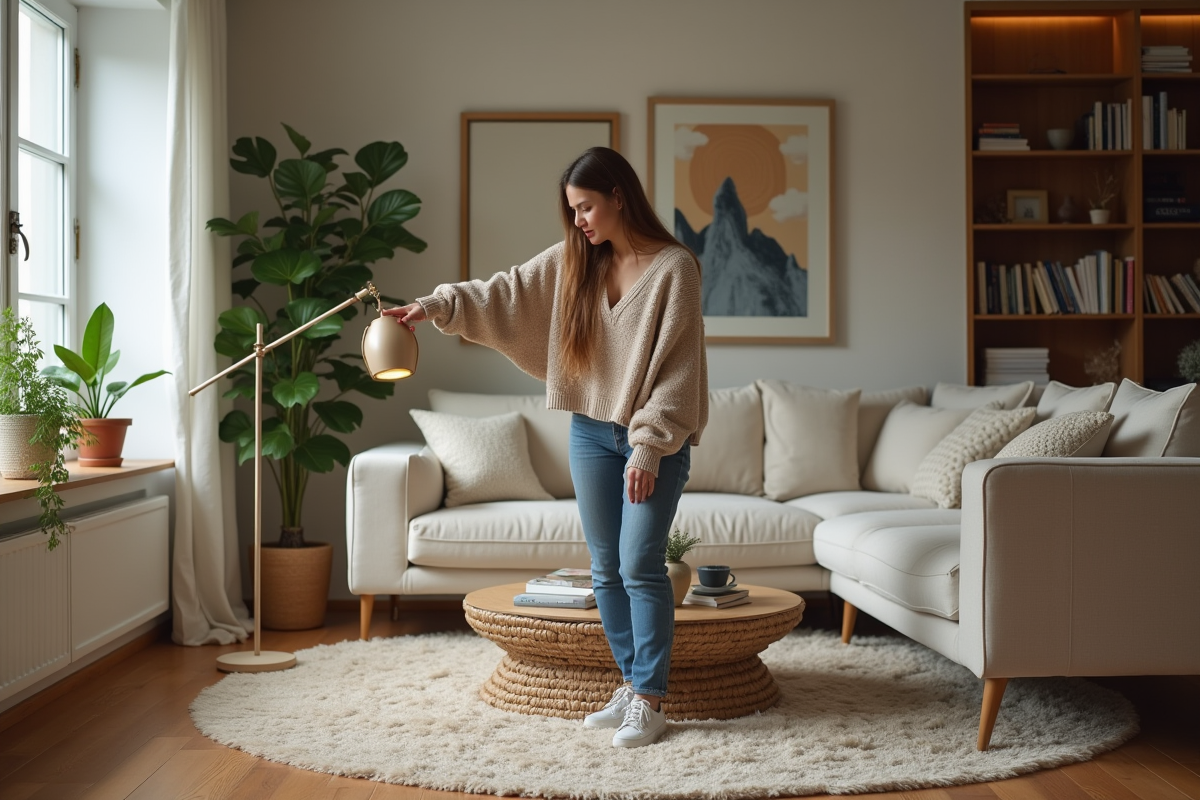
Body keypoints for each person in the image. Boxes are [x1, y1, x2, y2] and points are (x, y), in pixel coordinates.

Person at [385, 146, 708, 748]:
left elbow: (679, 372)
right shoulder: (574, 262)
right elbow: (502, 292)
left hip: (651, 441)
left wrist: (649, 448)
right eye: (573, 211)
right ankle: (634, 685)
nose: (580, 221)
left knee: (641, 564)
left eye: (587, 207)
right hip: (588, 430)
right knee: (607, 569)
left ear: (618, 196)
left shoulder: (674, 268)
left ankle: (651, 701)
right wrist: (434, 307)